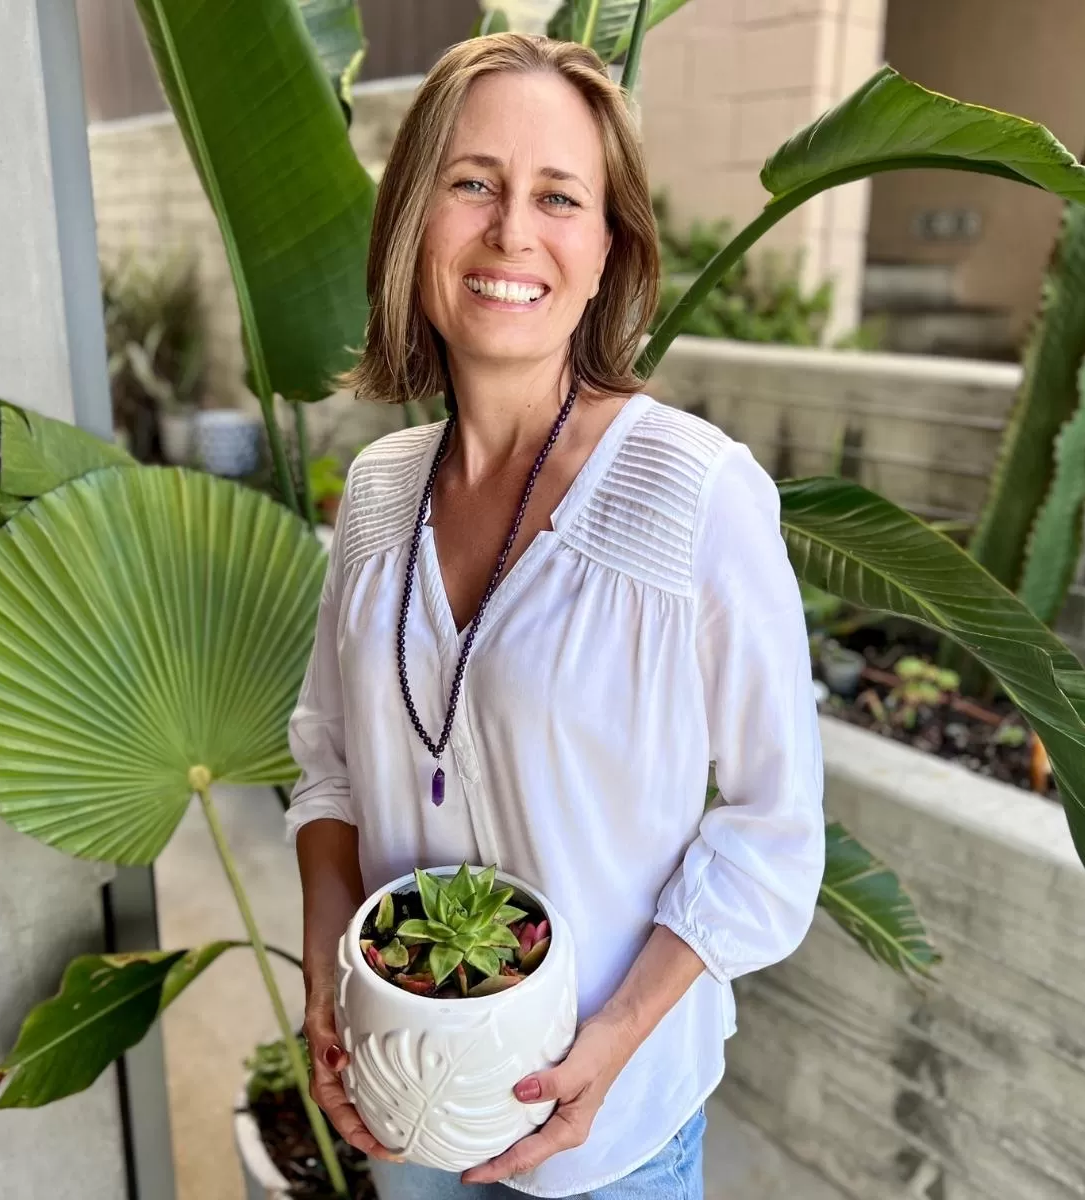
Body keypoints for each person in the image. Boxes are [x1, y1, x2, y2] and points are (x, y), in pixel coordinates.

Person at [286, 31, 825, 1200]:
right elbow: (328, 765)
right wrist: (327, 969)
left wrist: (616, 1041)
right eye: (471, 182)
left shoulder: (698, 496)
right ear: (413, 220)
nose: (511, 232)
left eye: (558, 196)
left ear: (607, 250)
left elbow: (775, 832)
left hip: (605, 1139)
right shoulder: (380, 493)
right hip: (403, 1107)